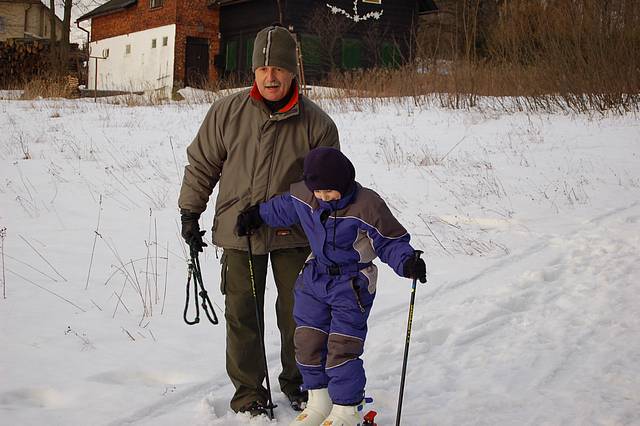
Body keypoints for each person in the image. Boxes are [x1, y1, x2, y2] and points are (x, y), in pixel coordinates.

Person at [179, 25, 339, 417]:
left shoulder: (317, 124)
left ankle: (301, 383)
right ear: (253, 71)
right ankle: (249, 393)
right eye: (263, 68)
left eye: (279, 68)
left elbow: (326, 188)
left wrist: (278, 211)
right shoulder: (226, 112)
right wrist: (190, 211)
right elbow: (203, 164)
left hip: (295, 234)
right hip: (239, 233)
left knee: (299, 315)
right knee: (242, 315)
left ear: (293, 73)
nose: (271, 76)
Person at [236, 147, 427, 426]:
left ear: (344, 182)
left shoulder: (367, 205)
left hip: (352, 283)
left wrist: (407, 261)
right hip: (315, 277)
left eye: (329, 191)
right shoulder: (307, 194)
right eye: (318, 192)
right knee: (307, 341)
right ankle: (318, 400)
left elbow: (390, 241)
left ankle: (346, 409)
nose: (323, 197)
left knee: (342, 346)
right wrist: (257, 215)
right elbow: (282, 207)